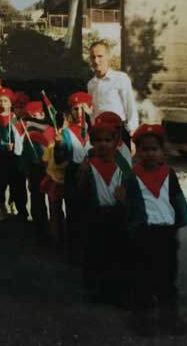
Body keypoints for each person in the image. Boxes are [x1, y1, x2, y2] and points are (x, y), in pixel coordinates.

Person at [124, 124, 187, 337]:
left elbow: (177, 198)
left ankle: (170, 317)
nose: (149, 153)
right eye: (144, 149)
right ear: (137, 151)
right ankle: (142, 319)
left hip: (167, 235)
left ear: (161, 150)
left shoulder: (169, 173)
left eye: (154, 149)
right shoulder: (132, 175)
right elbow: (130, 206)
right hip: (144, 234)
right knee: (142, 278)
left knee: (167, 278)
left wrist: (179, 223)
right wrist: (132, 229)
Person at [76, 117, 133, 305]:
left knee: (118, 253)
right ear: (92, 142)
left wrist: (125, 197)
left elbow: (132, 187)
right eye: (98, 140)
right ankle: (97, 291)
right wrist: (83, 173)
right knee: (96, 253)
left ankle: (118, 291)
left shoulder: (122, 163)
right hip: (95, 215)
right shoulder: (88, 162)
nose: (103, 144)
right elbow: (79, 190)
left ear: (115, 142)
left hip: (117, 215)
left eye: (107, 140)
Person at [87, 40, 139, 152]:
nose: (96, 61)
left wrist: (132, 135)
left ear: (108, 57)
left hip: (118, 132)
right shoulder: (91, 84)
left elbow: (130, 106)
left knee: (122, 167)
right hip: (100, 135)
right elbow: (93, 112)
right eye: (93, 57)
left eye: (100, 56)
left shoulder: (120, 78)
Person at [60, 92, 93, 260]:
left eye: (83, 109)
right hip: (73, 174)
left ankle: (88, 249)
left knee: (90, 213)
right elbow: (61, 158)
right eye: (75, 109)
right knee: (73, 213)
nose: (79, 113)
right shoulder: (66, 132)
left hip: (92, 176)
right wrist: (59, 146)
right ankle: (73, 251)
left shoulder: (94, 130)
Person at [19, 101, 56, 243]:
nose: (33, 119)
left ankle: (55, 230)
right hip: (36, 169)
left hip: (52, 169)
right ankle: (40, 230)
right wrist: (27, 172)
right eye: (30, 116)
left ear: (43, 114)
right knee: (37, 200)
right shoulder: (29, 133)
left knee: (53, 201)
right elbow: (25, 154)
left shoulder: (52, 128)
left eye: (36, 115)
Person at [0, 87, 26, 221]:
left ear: (11, 103)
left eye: (6, 101)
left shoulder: (16, 119)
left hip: (16, 156)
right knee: (1, 183)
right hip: (0, 156)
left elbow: (21, 136)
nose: (2, 104)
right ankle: (0, 206)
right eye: (0, 101)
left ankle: (20, 208)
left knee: (18, 183)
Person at [40, 131, 70, 248]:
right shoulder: (71, 147)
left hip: (54, 182)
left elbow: (44, 161)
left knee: (54, 211)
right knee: (68, 211)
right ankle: (64, 237)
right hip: (66, 182)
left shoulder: (51, 146)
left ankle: (56, 237)